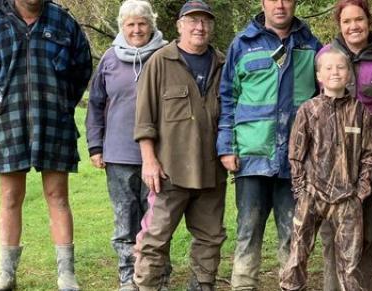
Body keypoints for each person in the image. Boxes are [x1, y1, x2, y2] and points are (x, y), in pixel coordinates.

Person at [0, 0, 92, 290]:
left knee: (57, 196)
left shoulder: (64, 22)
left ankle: (67, 276)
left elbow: (82, 68)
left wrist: (62, 104)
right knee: (10, 197)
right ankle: (6, 275)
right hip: (8, 123)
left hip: (53, 123)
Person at [216, 0, 321, 289]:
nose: (280, 5)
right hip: (252, 156)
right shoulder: (242, 44)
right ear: (263, 3)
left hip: (295, 159)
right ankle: (243, 285)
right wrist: (227, 146)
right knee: (248, 230)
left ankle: (291, 285)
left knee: (293, 233)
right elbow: (227, 98)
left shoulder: (311, 45)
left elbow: (324, 98)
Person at [132, 0, 227, 290]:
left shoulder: (223, 63)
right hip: (169, 170)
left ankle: (202, 285)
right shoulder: (160, 62)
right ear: (179, 25)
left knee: (210, 237)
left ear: (211, 26)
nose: (199, 27)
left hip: (211, 170)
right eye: (193, 21)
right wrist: (149, 160)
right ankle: (147, 286)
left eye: (205, 22)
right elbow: (144, 119)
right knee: (155, 238)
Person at [316, 0, 372, 289]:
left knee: (367, 233)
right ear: (339, 25)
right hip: (332, 167)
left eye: (359, 19)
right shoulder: (326, 55)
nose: (353, 26)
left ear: (369, 21)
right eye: (347, 21)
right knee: (333, 235)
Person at [85, 0, 167, 290]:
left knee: (157, 222)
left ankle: (156, 275)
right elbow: (95, 105)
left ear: (151, 25)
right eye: (130, 24)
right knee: (124, 220)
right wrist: (95, 146)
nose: (136, 29)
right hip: (118, 154)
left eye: (142, 23)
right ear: (122, 27)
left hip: (161, 156)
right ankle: (127, 277)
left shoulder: (166, 55)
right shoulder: (109, 59)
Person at [279, 47, 372, 291]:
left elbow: (368, 154)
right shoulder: (308, 110)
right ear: (319, 75)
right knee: (297, 255)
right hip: (312, 195)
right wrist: (302, 192)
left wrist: (360, 191)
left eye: (341, 67)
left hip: (348, 198)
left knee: (350, 261)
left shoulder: (359, 112)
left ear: (349, 74)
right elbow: (296, 154)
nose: (335, 72)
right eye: (329, 68)